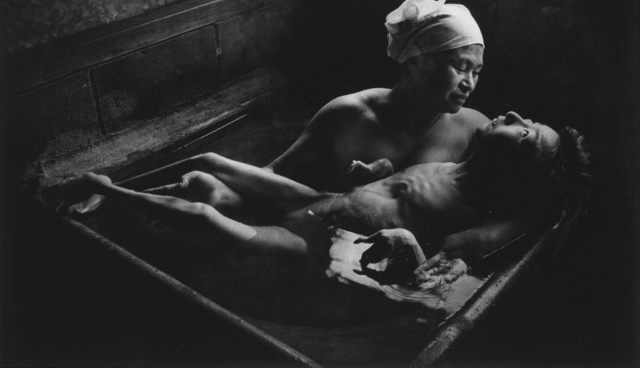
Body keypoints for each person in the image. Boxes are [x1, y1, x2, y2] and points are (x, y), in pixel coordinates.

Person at [57, 112, 591, 286]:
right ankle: (124, 191)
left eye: (526, 134)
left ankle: (106, 190)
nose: (517, 117)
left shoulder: (477, 211)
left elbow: (440, 268)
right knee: (214, 162)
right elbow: (395, 181)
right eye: (525, 120)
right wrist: (379, 170)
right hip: (323, 198)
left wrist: (408, 245)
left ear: (517, 168)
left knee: (201, 211)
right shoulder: (450, 158)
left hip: (315, 243)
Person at [266, 0, 488, 191]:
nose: (469, 83)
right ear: (415, 63)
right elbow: (276, 172)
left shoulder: (474, 130)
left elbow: (509, 205)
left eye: (476, 72)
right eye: (460, 68)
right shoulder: (347, 114)